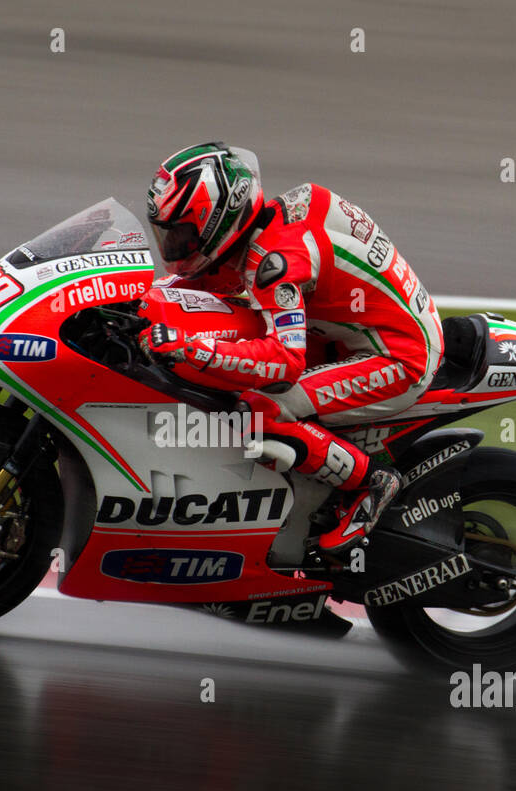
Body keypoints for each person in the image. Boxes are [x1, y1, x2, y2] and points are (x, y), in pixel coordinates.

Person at [138, 142, 444, 560]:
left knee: (260, 408)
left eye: (182, 234)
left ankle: (371, 482)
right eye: (166, 233)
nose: (172, 246)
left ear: (218, 221)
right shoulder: (266, 230)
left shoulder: (275, 263)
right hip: (351, 329)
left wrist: (194, 351)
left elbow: (285, 361)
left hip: (397, 355)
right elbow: (208, 286)